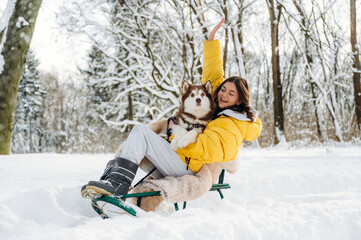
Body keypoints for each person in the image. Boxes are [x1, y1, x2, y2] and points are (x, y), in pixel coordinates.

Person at [81, 18, 262, 199]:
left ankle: (116, 184)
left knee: (141, 133)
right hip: (181, 159)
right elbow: (213, 74)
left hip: (188, 167)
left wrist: (173, 133)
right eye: (223, 89)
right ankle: (110, 181)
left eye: (231, 94)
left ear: (239, 101)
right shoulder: (222, 108)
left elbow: (203, 150)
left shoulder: (232, 125)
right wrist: (211, 40)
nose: (223, 94)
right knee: (141, 135)